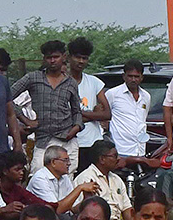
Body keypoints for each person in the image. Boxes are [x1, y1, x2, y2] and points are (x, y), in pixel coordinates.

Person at [12, 41, 83, 175]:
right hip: (44, 138)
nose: (52, 61)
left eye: (56, 57)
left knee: (68, 177)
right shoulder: (33, 78)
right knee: (38, 173)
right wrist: (26, 120)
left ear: (64, 57)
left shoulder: (71, 83)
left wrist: (76, 127)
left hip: (68, 139)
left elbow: (76, 110)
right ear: (44, 59)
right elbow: (6, 97)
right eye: (48, 57)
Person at [67, 37, 109, 172]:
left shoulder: (94, 82)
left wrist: (77, 115)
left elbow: (107, 114)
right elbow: (63, 117)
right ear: (69, 57)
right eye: (77, 57)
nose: (81, 61)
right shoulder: (62, 83)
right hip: (71, 142)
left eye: (84, 58)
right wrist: (94, 114)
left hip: (93, 142)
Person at [74, 140, 133, 220]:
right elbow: (82, 212)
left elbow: (127, 209)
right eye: (114, 156)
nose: (118, 159)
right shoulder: (86, 178)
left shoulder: (117, 179)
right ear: (102, 159)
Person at [106, 60, 151, 161]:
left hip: (140, 151)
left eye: (137, 76)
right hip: (120, 151)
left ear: (141, 77)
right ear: (124, 76)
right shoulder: (113, 94)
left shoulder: (146, 96)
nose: (133, 79)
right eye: (130, 76)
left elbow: (142, 120)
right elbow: (104, 118)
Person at [26, 145, 91, 214]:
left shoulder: (64, 177)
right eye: (65, 160)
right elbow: (56, 210)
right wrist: (79, 188)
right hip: (41, 219)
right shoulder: (39, 179)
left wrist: (86, 199)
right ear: (53, 162)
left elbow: (73, 209)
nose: (69, 163)